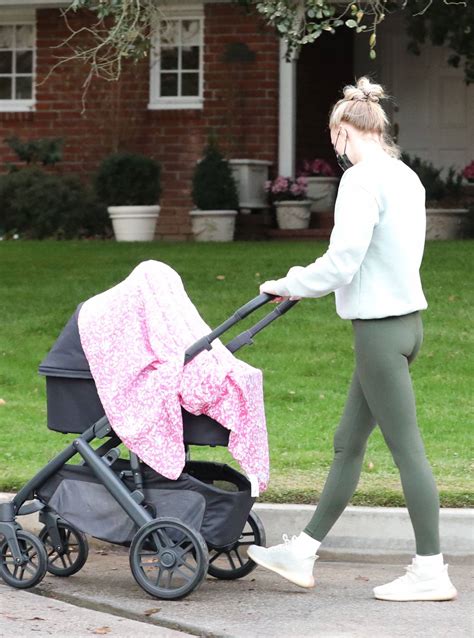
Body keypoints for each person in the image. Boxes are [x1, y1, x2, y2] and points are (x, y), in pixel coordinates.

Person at [247, 77, 457, 602]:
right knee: (348, 442)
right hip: (406, 324)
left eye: (333, 138)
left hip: (380, 332)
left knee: (407, 450)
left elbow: (343, 261)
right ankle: (303, 551)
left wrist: (288, 284)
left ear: (343, 132)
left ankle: (430, 569)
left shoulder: (361, 180)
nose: (335, 148)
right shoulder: (406, 176)